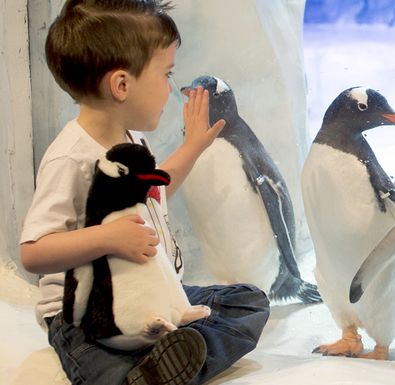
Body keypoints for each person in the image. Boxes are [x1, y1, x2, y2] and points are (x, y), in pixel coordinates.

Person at [19, 1, 270, 384]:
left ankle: (166, 361)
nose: (172, 87)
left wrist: (192, 148)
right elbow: (34, 252)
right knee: (107, 371)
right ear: (121, 85)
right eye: (166, 74)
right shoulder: (71, 157)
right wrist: (107, 238)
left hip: (155, 293)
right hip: (89, 315)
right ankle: (159, 365)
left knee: (247, 302)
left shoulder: (131, 139)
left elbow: (153, 191)